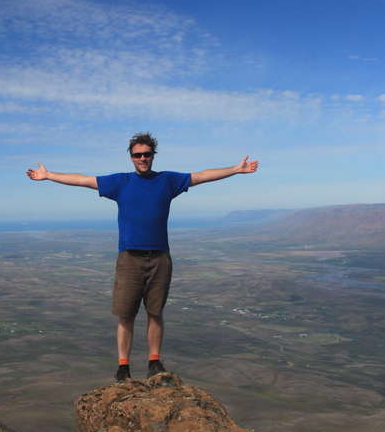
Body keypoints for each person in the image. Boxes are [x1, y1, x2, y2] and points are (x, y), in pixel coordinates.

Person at [26, 132, 258, 381]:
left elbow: (201, 176)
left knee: (155, 312)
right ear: (131, 157)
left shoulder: (167, 181)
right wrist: (49, 176)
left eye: (147, 154)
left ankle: (154, 362)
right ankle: (123, 366)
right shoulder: (120, 182)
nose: (143, 158)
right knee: (126, 314)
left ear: (153, 155)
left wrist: (235, 169)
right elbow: (83, 180)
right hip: (129, 258)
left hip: (160, 257)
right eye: (138, 155)